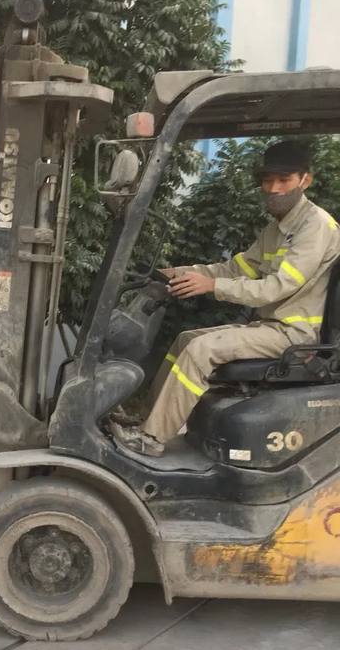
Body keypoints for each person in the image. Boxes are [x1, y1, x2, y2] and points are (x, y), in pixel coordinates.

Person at [111, 140, 340, 457]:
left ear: (305, 180)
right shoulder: (277, 229)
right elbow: (236, 268)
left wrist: (212, 286)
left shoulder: (315, 226)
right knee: (185, 340)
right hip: (272, 327)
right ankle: (150, 421)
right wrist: (180, 272)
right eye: (268, 180)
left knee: (201, 350)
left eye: (284, 180)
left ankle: (150, 439)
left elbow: (276, 288)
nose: (274, 188)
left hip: (295, 334)